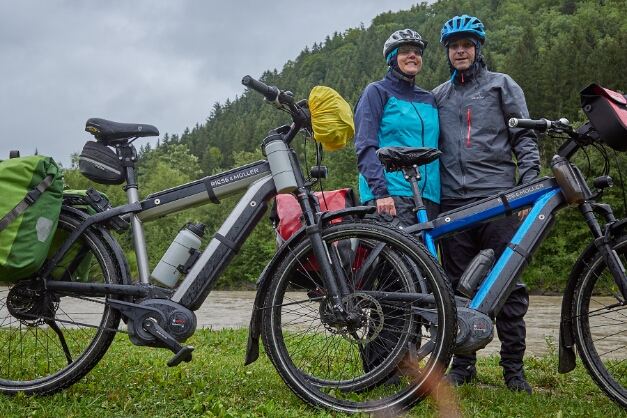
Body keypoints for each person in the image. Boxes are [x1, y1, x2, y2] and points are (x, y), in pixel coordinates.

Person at [432, 15, 541, 394]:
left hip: (499, 200)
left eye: (467, 44)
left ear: (478, 48)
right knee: (457, 286)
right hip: (453, 206)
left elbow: (525, 138)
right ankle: (464, 367)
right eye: (453, 46)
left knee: (508, 284)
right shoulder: (439, 95)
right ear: (447, 52)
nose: (460, 50)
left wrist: (529, 187)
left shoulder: (502, 86)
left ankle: (514, 370)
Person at [353, 29, 440, 378]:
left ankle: (409, 360)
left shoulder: (429, 98)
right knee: (392, 280)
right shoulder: (377, 92)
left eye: (417, 52)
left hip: (428, 197)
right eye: (405, 51)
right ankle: (380, 365)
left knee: (421, 278)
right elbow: (365, 144)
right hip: (389, 195)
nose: (412, 57)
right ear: (392, 58)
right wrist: (379, 192)